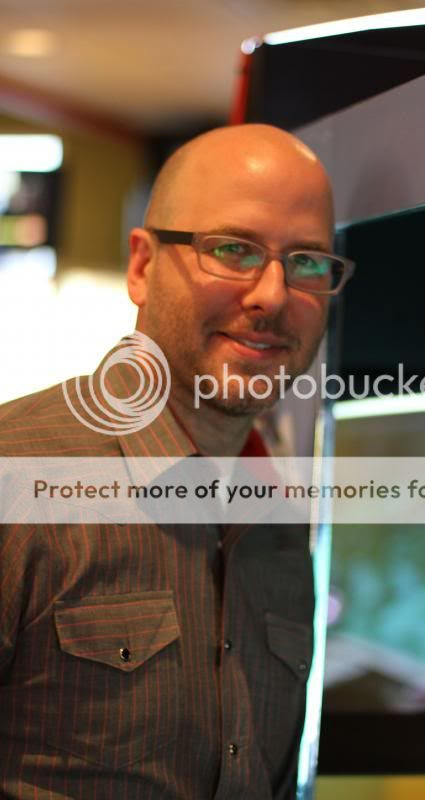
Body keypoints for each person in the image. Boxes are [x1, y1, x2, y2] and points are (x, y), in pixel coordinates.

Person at [0, 124, 353, 799]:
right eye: (233, 249)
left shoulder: (278, 523)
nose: (272, 295)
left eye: (307, 261)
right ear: (141, 265)